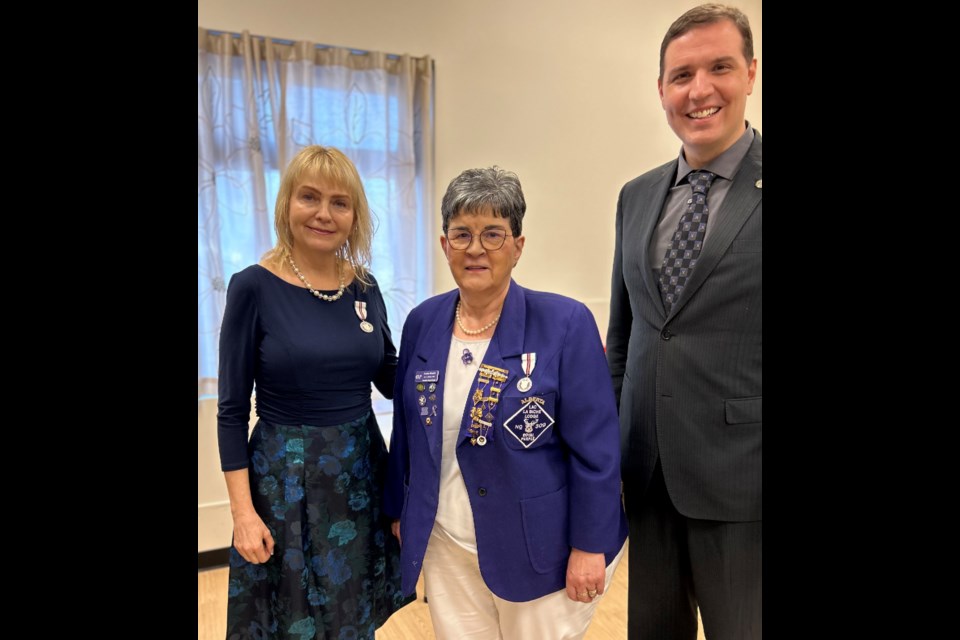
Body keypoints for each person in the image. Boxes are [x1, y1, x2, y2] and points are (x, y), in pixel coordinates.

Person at [385, 166, 627, 640]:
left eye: (493, 234)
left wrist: (589, 546)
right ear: (444, 244)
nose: (476, 248)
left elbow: (596, 450)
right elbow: (407, 428)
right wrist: (400, 510)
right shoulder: (423, 322)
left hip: (540, 545)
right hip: (446, 541)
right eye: (462, 234)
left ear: (518, 246)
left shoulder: (564, 323)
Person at [606, 4, 761, 639]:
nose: (699, 90)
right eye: (681, 75)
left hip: (745, 483)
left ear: (751, 73)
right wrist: (606, 458)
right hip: (646, 475)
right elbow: (626, 339)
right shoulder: (636, 195)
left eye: (719, 67)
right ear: (662, 90)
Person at [217, 145, 411, 639]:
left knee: (354, 613)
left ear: (355, 215)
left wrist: (456, 354)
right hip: (287, 479)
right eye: (310, 197)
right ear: (287, 205)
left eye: (339, 202)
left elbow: (391, 377)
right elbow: (232, 411)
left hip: (362, 472)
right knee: (294, 618)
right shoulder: (253, 287)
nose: (324, 213)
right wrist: (242, 513)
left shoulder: (364, 286)